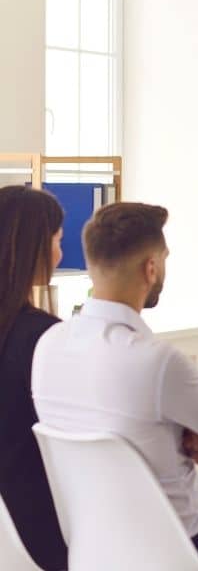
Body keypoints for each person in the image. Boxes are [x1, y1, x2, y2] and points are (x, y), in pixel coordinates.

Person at [31, 202, 198, 570]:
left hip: (96, 550)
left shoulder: (48, 346)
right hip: (183, 550)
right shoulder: (157, 361)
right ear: (150, 268)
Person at [0, 186, 67, 570]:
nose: (60, 253)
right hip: (37, 524)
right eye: (57, 240)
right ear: (36, 248)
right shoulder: (43, 336)